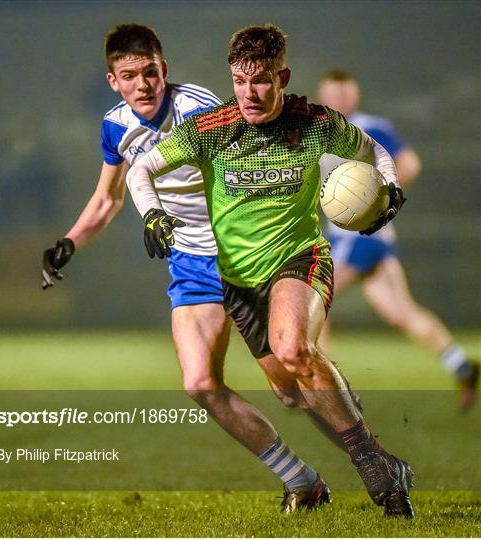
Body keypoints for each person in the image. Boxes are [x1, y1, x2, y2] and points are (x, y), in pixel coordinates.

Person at [41, 23, 332, 513]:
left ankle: (369, 452)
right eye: (128, 75)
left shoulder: (200, 107)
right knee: (200, 384)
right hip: (191, 263)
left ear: (164, 70)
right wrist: (68, 243)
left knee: (290, 389)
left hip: (240, 257)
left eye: (150, 72)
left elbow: (247, 166)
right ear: (113, 80)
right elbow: (107, 198)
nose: (142, 85)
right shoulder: (115, 125)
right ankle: (303, 482)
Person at [128, 24, 415, 518]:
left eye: (260, 80)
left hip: (298, 259)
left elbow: (374, 152)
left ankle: (375, 469)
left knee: (293, 348)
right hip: (238, 280)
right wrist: (152, 213)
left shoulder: (316, 122)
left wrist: (387, 190)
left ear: (282, 75)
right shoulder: (210, 128)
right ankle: (382, 458)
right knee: (290, 392)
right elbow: (140, 170)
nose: (249, 93)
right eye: (240, 81)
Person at [316, 69, 479, 411]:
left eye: (344, 94)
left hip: (358, 236)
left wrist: (379, 197)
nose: (339, 100)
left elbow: (410, 163)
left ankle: (322, 388)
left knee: (316, 295)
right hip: (370, 239)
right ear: (323, 95)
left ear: (354, 96)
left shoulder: (368, 127)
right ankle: (460, 365)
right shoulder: (320, 132)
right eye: (333, 94)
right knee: (400, 312)